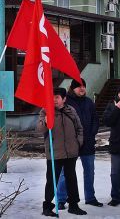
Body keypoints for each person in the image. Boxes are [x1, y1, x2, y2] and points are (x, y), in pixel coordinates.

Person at [37, 87, 87, 216]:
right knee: (52, 180)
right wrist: (46, 121)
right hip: (54, 152)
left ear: (64, 99)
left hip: (71, 151)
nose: (54, 100)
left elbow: (79, 128)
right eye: (53, 97)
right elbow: (39, 129)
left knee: (71, 178)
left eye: (57, 97)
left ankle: (74, 205)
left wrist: (78, 143)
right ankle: (47, 207)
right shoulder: (46, 111)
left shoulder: (71, 111)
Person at [57, 78, 103, 208]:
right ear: (73, 88)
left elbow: (95, 119)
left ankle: (90, 197)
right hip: (71, 143)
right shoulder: (67, 102)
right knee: (65, 172)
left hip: (88, 142)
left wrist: (92, 133)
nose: (82, 88)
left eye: (83, 86)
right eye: (78, 86)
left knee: (89, 171)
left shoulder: (89, 102)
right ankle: (61, 199)